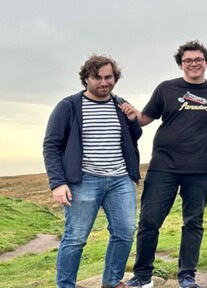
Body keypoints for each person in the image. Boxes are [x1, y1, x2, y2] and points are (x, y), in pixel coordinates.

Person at [125, 41, 207, 288]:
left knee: (193, 222)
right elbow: (145, 118)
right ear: (181, 64)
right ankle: (143, 275)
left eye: (198, 60)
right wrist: (130, 114)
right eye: (188, 60)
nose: (193, 64)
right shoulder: (166, 88)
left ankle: (187, 276)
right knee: (149, 222)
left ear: (206, 63)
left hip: (201, 168)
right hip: (163, 167)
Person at [43, 54, 143, 288]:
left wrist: (132, 121)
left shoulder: (120, 104)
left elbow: (132, 139)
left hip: (120, 180)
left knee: (125, 232)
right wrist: (57, 183)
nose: (103, 82)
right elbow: (52, 145)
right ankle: (65, 285)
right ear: (86, 78)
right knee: (76, 238)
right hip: (84, 181)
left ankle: (112, 281)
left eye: (108, 77)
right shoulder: (68, 106)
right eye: (97, 77)